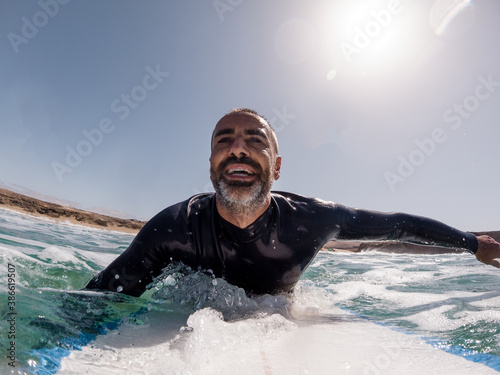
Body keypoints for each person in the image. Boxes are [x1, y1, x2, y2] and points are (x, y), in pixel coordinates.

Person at [85, 108, 500, 297]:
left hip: (279, 308)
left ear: (277, 167)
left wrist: (472, 243)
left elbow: (397, 224)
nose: (238, 149)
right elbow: (102, 297)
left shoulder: (314, 220)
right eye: (224, 140)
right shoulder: (174, 227)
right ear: (211, 163)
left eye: (255, 140)